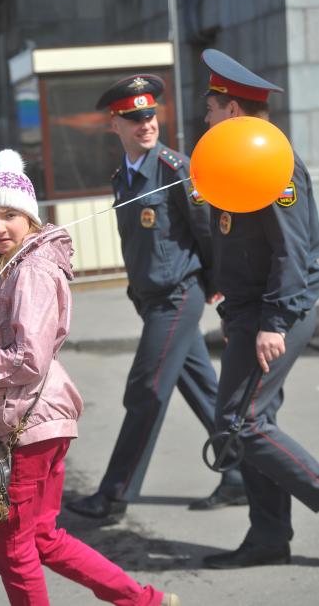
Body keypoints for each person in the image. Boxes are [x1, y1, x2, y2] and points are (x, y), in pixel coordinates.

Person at [0, 149, 180, 606]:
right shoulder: (15, 266)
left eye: (10, 215)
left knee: (13, 551)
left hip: (29, 424)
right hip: (39, 420)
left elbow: (26, 359)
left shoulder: (29, 270)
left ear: (30, 217)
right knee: (44, 539)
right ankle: (146, 600)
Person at [67, 74, 246, 520]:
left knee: (145, 391)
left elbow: (206, 230)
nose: (146, 124)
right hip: (152, 299)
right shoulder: (123, 177)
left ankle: (114, 494)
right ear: (116, 124)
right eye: (134, 118)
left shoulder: (174, 168)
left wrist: (213, 284)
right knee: (206, 391)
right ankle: (241, 474)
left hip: (178, 295)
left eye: (150, 115)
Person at [200, 49, 319, 569]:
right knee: (250, 422)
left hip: (280, 310)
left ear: (230, 110)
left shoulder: (272, 159)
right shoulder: (238, 154)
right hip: (249, 311)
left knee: (242, 423)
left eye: (210, 107)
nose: (204, 117)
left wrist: (273, 323)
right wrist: (234, 315)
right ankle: (269, 536)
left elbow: (293, 250)